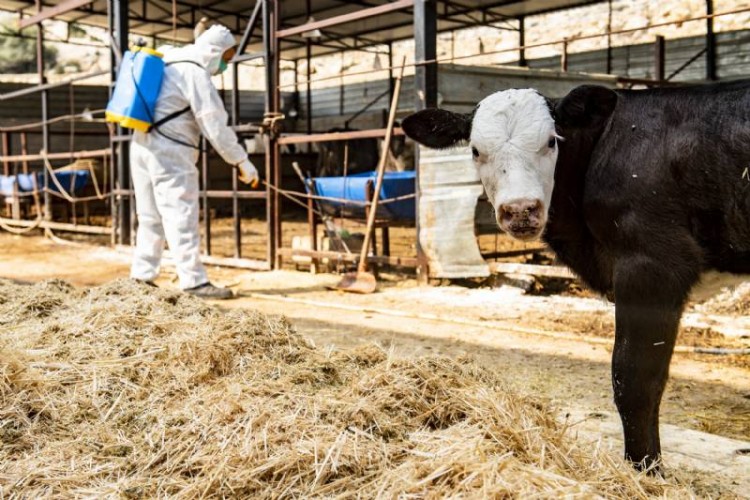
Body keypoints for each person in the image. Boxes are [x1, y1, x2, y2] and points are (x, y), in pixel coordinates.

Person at [129, 24, 258, 299]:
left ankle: (142, 276)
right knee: (181, 215)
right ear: (215, 51)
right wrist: (242, 161)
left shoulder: (167, 60)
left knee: (149, 216)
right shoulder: (194, 71)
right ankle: (194, 282)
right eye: (227, 57)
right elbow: (214, 125)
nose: (226, 64)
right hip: (170, 152)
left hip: (140, 145)